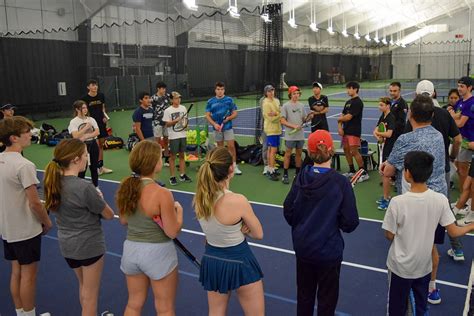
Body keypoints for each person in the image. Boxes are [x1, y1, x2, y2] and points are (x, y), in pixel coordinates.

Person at [382, 151, 474, 316]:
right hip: (424, 267)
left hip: (399, 267)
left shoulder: (397, 202)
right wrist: (472, 225)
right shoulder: (440, 200)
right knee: (420, 306)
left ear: (407, 173)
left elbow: (389, 234)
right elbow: (453, 231)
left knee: (396, 307)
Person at [381, 95, 449, 304]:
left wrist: (386, 167)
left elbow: (389, 170)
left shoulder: (405, 140)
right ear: (432, 114)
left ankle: (411, 286)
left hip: (414, 201)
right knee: (430, 247)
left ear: (410, 113)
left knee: (409, 246)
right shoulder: (438, 136)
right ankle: (432, 287)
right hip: (439, 200)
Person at [283, 130, 359, 316]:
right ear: (331, 150)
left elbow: (289, 211)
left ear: (309, 152)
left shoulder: (300, 178)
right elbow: (350, 222)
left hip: (304, 249)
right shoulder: (341, 183)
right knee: (327, 301)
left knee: (304, 297)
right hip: (328, 252)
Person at [43, 138, 115, 316]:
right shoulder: (84, 187)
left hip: (68, 246)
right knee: (91, 295)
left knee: (84, 287)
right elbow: (109, 214)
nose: (87, 157)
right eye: (85, 155)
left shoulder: (52, 183)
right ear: (75, 159)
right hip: (89, 246)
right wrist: (100, 198)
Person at [193, 147, 264, 315]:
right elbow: (258, 234)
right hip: (240, 260)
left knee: (216, 312)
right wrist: (244, 230)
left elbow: (211, 232)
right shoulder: (237, 201)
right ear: (230, 170)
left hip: (212, 260)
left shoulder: (199, 199)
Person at [116, 140, 183, 316]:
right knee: (165, 308)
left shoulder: (126, 187)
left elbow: (123, 221)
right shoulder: (162, 193)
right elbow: (171, 231)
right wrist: (179, 214)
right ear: (154, 163)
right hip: (158, 253)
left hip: (131, 251)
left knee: (134, 303)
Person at [0, 116, 53, 316]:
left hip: (7, 229)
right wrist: (46, 221)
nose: (31, 134)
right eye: (26, 132)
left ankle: (21, 313)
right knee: (29, 276)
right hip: (25, 229)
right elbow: (34, 202)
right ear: (14, 138)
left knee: (16, 272)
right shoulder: (24, 165)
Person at [205, 82, 242, 175]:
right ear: (215, 90)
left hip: (228, 127)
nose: (220, 91)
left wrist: (228, 118)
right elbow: (207, 115)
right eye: (218, 89)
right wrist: (214, 124)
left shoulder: (229, 100)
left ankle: (233, 166)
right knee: (220, 148)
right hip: (217, 128)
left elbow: (235, 113)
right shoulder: (210, 101)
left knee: (231, 147)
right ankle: (222, 166)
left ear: (224, 90)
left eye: (222, 89)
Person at [449, 77, 474, 203]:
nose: (459, 88)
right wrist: (454, 117)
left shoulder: (471, 103)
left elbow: (460, 123)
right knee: (460, 169)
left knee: (464, 171)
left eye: (462, 86)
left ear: (469, 88)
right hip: (460, 140)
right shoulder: (460, 102)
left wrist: (452, 116)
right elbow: (456, 117)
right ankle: (464, 199)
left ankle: (467, 201)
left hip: (468, 141)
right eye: (458, 86)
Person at [337, 81, 369, 182]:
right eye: (347, 88)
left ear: (355, 89)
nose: (347, 90)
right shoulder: (348, 102)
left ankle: (363, 172)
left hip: (354, 131)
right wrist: (340, 127)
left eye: (349, 88)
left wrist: (340, 120)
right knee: (346, 150)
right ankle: (351, 170)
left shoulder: (358, 102)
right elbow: (342, 116)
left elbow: (348, 117)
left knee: (354, 151)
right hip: (346, 131)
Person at [81, 79, 112, 175]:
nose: (95, 87)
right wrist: (87, 122)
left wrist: (104, 117)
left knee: (101, 145)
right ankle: (93, 167)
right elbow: (84, 111)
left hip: (101, 123)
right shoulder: (85, 98)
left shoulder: (101, 96)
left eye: (96, 85)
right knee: (92, 146)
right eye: (92, 85)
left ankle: (100, 167)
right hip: (90, 124)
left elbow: (102, 108)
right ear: (88, 87)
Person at [68, 100, 101, 188]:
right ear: (77, 110)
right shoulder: (73, 122)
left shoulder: (91, 119)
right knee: (82, 169)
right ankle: (80, 188)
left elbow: (97, 132)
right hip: (81, 147)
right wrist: (86, 128)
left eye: (86, 107)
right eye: (83, 108)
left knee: (94, 167)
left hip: (93, 144)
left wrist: (86, 136)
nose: (85, 109)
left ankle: (96, 187)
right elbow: (75, 135)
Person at [280, 86, 309, 184]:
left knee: (299, 154)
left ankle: (297, 174)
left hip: (300, 135)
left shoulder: (301, 105)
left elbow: (304, 119)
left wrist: (309, 117)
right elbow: (282, 120)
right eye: (294, 93)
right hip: (290, 136)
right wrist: (293, 126)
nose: (296, 95)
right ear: (290, 95)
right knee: (287, 154)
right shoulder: (285, 106)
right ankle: (285, 174)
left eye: (297, 93)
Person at [163, 91, 192, 186]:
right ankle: (172, 177)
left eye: (179, 98)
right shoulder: (167, 111)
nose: (178, 100)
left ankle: (182, 175)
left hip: (183, 135)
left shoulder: (183, 108)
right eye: (175, 98)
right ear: (171, 100)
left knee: (182, 156)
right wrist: (175, 121)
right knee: (172, 157)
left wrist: (186, 125)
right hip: (173, 137)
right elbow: (167, 124)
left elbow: (185, 120)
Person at [373, 97, 396, 211]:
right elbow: (375, 130)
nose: (379, 107)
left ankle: (387, 200)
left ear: (388, 106)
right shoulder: (383, 116)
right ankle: (386, 196)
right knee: (383, 174)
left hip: (389, 148)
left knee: (386, 174)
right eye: (379, 105)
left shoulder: (391, 118)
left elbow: (389, 134)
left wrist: (378, 133)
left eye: (381, 105)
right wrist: (378, 136)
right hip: (382, 147)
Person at [261, 84, 282, 181]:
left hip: (277, 129)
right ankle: (270, 171)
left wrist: (276, 113)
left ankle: (272, 168)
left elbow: (278, 112)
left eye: (272, 90)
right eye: (269, 91)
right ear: (266, 93)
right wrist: (280, 114)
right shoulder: (265, 103)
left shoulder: (277, 101)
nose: (271, 92)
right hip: (270, 130)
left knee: (272, 150)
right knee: (272, 151)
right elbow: (271, 119)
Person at [151, 81, 171, 166]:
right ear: (158, 89)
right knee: (157, 142)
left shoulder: (167, 96)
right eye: (162, 88)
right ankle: (156, 160)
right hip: (157, 122)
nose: (164, 90)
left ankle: (166, 159)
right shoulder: (153, 98)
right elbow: (151, 110)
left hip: (166, 122)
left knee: (166, 140)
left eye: (165, 88)